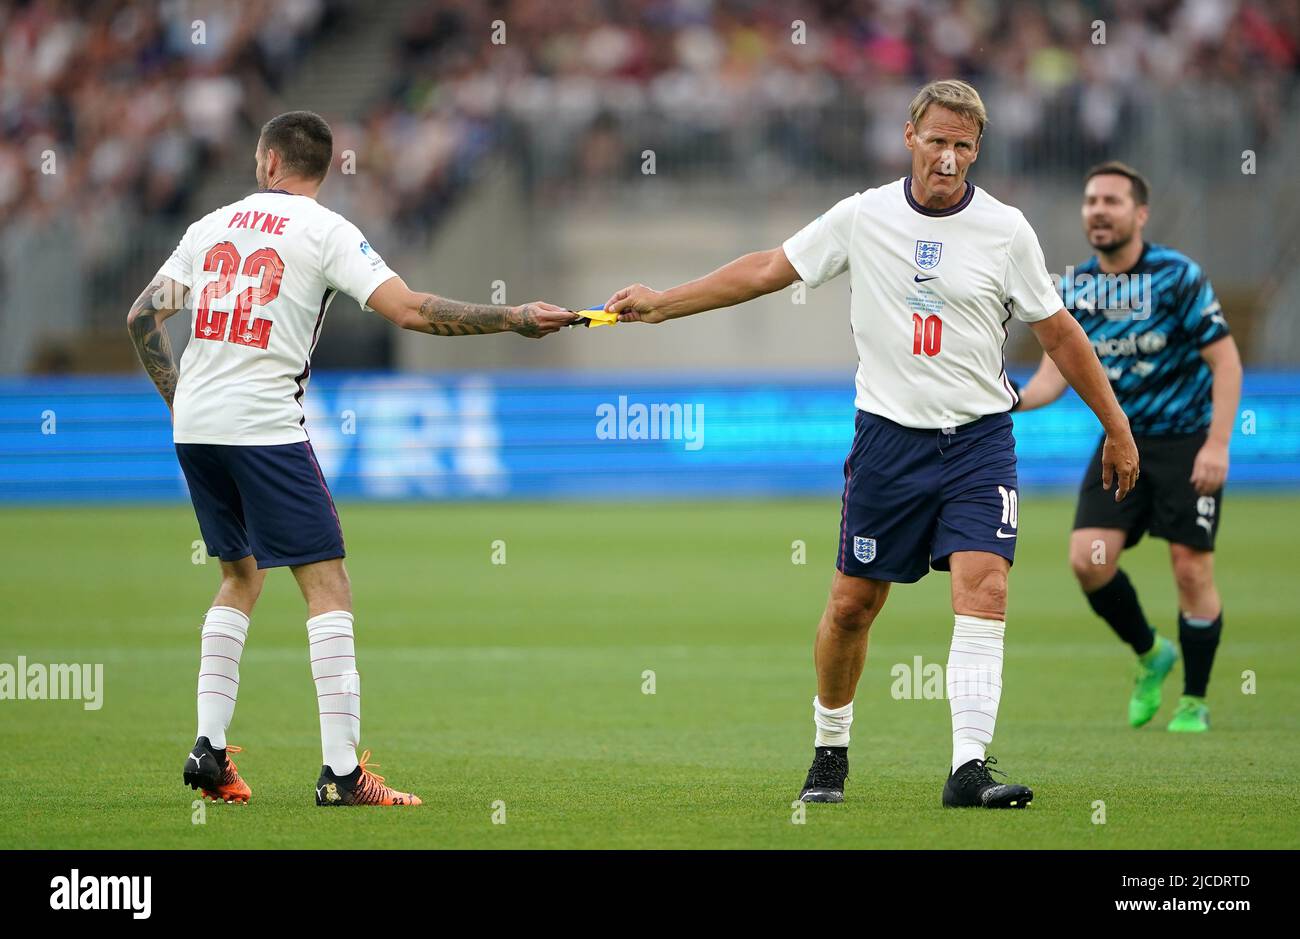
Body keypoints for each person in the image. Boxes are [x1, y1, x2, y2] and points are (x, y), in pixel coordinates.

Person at [604, 80, 1139, 808]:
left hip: (980, 441)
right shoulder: (863, 216)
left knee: (985, 584)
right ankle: (830, 751)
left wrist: (1116, 424)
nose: (949, 157)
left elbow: (1060, 333)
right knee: (853, 605)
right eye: (938, 139)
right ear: (909, 134)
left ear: (976, 150)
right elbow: (767, 268)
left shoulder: (1007, 230)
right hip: (888, 442)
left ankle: (968, 766)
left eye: (963, 145)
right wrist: (665, 303)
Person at [126, 110, 577, 806]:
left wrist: (180, 401)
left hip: (197, 424)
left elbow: (142, 318)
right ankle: (341, 772)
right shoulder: (327, 231)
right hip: (263, 423)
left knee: (239, 575)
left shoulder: (209, 225)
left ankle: (209, 749)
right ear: (318, 168)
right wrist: (512, 316)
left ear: (270, 162)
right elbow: (413, 311)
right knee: (327, 584)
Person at [1015, 161, 1241, 733]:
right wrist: (1005, 399)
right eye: (1091, 201)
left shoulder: (1177, 277)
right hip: (1121, 443)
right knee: (1088, 560)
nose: (1098, 210)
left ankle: (1194, 699)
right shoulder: (1075, 288)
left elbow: (1226, 361)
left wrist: (1218, 443)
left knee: (1190, 568)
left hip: (1186, 442)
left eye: (1112, 201)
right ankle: (1149, 653)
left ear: (1139, 214)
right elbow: (1050, 378)